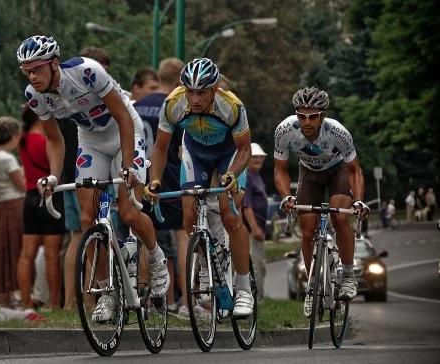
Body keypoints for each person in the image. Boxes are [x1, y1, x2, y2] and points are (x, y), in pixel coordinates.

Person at [17, 35, 169, 323]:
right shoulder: (34, 95)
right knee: (88, 220)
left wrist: (128, 166)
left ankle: (156, 256)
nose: (32, 76)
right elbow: (55, 140)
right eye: (27, 71)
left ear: (54, 63)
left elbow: (124, 117)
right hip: (90, 141)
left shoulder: (87, 71)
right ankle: (106, 292)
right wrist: (52, 175)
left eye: (37, 68)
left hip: (125, 131)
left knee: (128, 211)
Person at [145, 57, 254, 317]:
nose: (194, 99)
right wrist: (155, 180)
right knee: (189, 216)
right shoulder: (173, 103)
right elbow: (160, 147)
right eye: (190, 92)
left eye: (202, 92)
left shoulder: (231, 106)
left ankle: (244, 290)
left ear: (215, 90)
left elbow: (245, 149)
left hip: (228, 154)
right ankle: (206, 268)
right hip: (195, 151)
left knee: (230, 214)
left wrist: (231, 175)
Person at [273, 86, 369, 318]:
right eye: (302, 115)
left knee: (340, 216)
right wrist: (287, 196)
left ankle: (347, 275)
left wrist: (358, 202)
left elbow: (355, 170)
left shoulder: (338, 132)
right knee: (307, 230)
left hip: (338, 172)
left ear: (322, 116)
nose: (307, 121)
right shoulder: (285, 130)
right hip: (309, 174)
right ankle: (313, 285)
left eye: (313, 116)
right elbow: (280, 170)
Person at [133, 57, 186, 314]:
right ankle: (187, 301)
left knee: (146, 237)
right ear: (179, 81)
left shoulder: (138, 105)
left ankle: (149, 298)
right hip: (169, 175)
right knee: (182, 237)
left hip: (141, 177)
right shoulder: (173, 107)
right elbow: (178, 147)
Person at [61, 47, 109, 310]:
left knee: (78, 236)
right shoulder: (88, 96)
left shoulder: (63, 93)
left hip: (71, 172)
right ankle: (88, 297)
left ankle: (72, 300)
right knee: (87, 232)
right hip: (86, 172)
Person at [17, 106, 66, 309]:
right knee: (51, 255)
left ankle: (26, 301)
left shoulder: (24, 139)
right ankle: (55, 301)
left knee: (27, 253)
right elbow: (52, 166)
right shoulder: (44, 141)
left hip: (29, 197)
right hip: (49, 196)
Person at [0, 116, 26, 307]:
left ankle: (4, 296)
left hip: (0, 206)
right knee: (13, 249)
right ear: (14, 136)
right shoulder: (6, 158)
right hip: (13, 207)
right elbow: (23, 186)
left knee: (2, 251)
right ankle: (10, 295)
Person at [242, 143, 268, 302]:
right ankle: (255, 298)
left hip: (257, 229)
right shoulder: (248, 177)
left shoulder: (256, 176)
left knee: (259, 264)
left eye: (260, 157)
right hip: (251, 230)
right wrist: (255, 228)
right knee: (257, 265)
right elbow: (247, 206)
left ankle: (257, 297)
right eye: (254, 157)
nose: (258, 159)